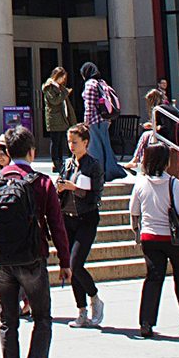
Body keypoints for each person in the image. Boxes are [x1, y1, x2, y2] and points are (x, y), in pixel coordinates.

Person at [0, 127, 72, 358]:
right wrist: (65, 262)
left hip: (2, 262)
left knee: (8, 322)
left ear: (7, 152)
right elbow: (57, 225)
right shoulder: (41, 183)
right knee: (41, 316)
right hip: (33, 260)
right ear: (31, 152)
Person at [128, 140, 179, 338]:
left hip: (150, 238)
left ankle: (146, 322)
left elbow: (134, 210)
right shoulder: (173, 183)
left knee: (153, 279)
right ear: (166, 162)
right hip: (174, 239)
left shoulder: (140, 184)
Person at [61, 123, 107, 327]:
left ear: (86, 143)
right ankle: (81, 311)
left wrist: (75, 188)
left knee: (76, 263)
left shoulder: (93, 165)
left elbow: (95, 195)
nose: (71, 145)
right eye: (69, 141)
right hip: (67, 218)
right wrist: (61, 188)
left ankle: (95, 298)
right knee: (72, 268)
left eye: (75, 142)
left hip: (86, 218)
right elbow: (62, 185)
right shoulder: (68, 164)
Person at [37, 67, 74, 178]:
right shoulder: (49, 88)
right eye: (62, 77)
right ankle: (56, 161)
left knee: (62, 140)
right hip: (54, 118)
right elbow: (55, 101)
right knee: (55, 140)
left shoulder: (60, 87)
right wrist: (65, 93)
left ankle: (62, 161)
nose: (63, 80)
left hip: (62, 117)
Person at [78, 62, 119, 161]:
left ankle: (98, 170)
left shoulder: (90, 84)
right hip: (105, 120)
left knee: (94, 148)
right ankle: (107, 170)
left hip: (94, 121)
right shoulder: (102, 82)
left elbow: (89, 105)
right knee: (104, 147)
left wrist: (86, 122)